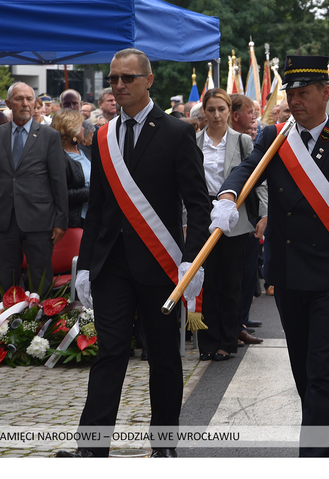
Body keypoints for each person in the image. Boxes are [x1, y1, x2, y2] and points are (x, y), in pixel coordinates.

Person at [215, 55, 329, 457]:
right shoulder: (275, 138)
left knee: (323, 369)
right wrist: (227, 194)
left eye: (304, 93)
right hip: (288, 272)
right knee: (303, 373)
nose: (295, 102)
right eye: (290, 94)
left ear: (325, 93)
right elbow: (248, 168)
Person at [57, 48, 210, 458]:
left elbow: (198, 205)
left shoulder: (176, 133)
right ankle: (92, 448)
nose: (119, 86)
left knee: (163, 356)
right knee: (109, 352)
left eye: (127, 78)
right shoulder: (103, 135)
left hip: (160, 264)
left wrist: (191, 260)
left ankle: (164, 445)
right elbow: (98, 208)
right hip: (112, 264)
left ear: (149, 80)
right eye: (114, 79)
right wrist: (86, 265)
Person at [0, 82, 67, 298]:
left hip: (40, 218)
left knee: (40, 278)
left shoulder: (49, 136)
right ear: (9, 103)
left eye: (29, 99)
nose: (26, 104)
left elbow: (58, 181)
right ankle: (6, 318)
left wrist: (60, 221)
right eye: (19, 99)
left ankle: (41, 319)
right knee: (4, 278)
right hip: (3, 219)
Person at [196, 89, 262, 361]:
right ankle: (208, 342)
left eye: (221, 109)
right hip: (203, 215)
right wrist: (187, 220)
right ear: (204, 111)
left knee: (231, 282)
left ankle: (227, 341)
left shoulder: (242, 141)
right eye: (211, 109)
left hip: (235, 214)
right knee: (208, 282)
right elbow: (186, 184)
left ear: (229, 112)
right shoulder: (194, 141)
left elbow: (258, 178)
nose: (216, 115)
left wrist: (264, 214)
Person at [230, 93, 268, 330]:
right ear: (236, 115)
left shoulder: (248, 140)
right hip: (229, 214)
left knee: (247, 270)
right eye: (250, 112)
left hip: (250, 213)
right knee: (234, 273)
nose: (254, 117)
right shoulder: (231, 140)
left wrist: (264, 213)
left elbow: (259, 180)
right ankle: (234, 322)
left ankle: (241, 319)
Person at [50, 108, 90, 229]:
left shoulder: (85, 151)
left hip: (92, 218)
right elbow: (60, 193)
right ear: (73, 130)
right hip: (74, 222)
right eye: (81, 125)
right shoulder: (58, 157)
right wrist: (92, 192)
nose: (83, 129)